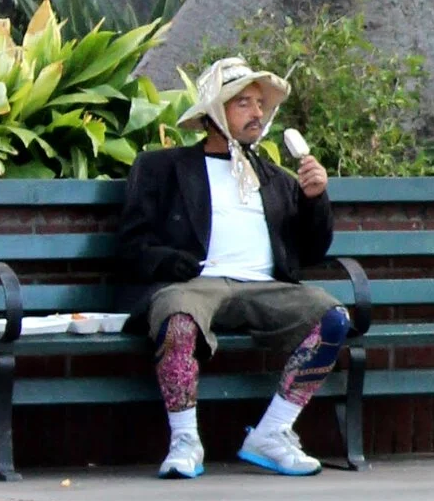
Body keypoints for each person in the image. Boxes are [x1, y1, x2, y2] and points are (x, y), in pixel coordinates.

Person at [119, 58, 348, 479]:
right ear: (213, 112)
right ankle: (185, 440)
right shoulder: (162, 168)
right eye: (243, 102)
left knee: (333, 318)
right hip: (197, 284)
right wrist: (170, 260)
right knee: (177, 319)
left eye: (260, 103)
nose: (257, 113)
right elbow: (132, 245)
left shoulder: (276, 178)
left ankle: (273, 432)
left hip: (265, 287)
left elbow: (309, 252)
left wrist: (315, 199)